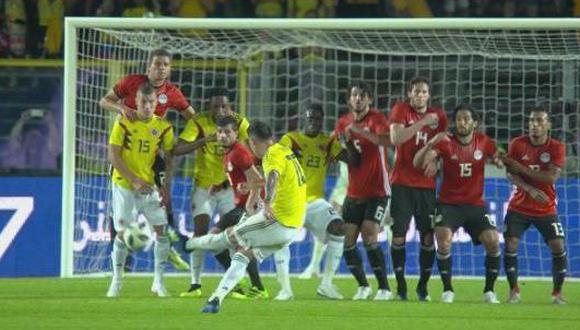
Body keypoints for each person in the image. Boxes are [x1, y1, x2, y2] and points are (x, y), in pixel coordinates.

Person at [185, 120, 306, 313]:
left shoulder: (270, 156)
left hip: (279, 220)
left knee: (229, 237)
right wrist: (251, 187)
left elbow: (273, 176)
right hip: (294, 226)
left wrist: (266, 203)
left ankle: (190, 244)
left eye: (251, 143)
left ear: (254, 142)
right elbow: (273, 178)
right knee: (243, 253)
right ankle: (215, 299)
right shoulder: (284, 151)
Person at [99, 48, 194, 271]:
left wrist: (190, 137)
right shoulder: (132, 82)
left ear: (170, 69)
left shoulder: (172, 92)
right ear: (148, 67)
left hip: (152, 154)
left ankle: (169, 241)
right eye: (157, 64)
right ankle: (124, 263)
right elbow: (105, 101)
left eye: (165, 64)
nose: (161, 68)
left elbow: (193, 117)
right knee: (120, 212)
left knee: (162, 199)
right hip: (126, 150)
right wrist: (121, 108)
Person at [413, 104, 503, 303]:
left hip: (475, 205)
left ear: (475, 123)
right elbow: (426, 158)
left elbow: (499, 154)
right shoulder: (445, 142)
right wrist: (430, 158)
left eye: (466, 119)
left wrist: (499, 160)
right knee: (443, 239)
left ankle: (489, 291)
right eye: (459, 119)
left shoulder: (485, 142)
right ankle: (448, 290)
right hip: (448, 204)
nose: (462, 123)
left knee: (493, 241)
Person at [273, 104, 359, 300]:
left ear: (322, 121)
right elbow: (276, 156)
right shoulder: (292, 139)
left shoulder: (327, 142)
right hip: (290, 201)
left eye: (318, 119)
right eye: (311, 118)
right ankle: (285, 289)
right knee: (280, 241)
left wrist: (349, 143)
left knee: (338, 227)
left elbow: (353, 161)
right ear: (305, 118)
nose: (314, 122)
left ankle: (326, 284)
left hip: (314, 201)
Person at [173, 87, 250, 298]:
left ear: (230, 106)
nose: (220, 110)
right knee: (200, 232)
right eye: (216, 106)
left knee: (234, 236)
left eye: (224, 106)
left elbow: (251, 150)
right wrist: (203, 141)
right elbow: (177, 149)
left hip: (229, 190)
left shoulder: (240, 123)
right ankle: (195, 285)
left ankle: (236, 284)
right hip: (203, 188)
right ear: (209, 106)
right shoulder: (199, 122)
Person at [182, 115, 269, 299]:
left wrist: (249, 203)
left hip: (247, 207)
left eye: (227, 132)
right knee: (236, 245)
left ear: (236, 133)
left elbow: (259, 180)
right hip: (241, 206)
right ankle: (256, 287)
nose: (222, 135)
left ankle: (250, 284)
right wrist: (222, 185)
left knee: (216, 240)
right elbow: (238, 176)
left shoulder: (239, 152)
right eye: (220, 132)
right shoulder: (229, 152)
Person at [105, 83, 174, 297]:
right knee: (123, 234)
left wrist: (164, 187)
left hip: (149, 187)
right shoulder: (124, 121)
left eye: (151, 102)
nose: (147, 106)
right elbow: (113, 157)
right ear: (136, 102)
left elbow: (168, 158)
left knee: (162, 232)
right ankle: (116, 281)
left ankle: (158, 283)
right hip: (125, 186)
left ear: (157, 103)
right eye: (143, 102)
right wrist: (133, 180)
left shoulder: (163, 127)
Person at [388, 76, 449, 301]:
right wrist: (422, 123)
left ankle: (423, 287)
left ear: (429, 95)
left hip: (426, 187)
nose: (420, 95)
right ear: (410, 93)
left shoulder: (440, 117)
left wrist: (437, 161)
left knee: (427, 237)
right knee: (398, 236)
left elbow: (445, 144)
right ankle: (401, 286)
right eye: (416, 91)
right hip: (401, 184)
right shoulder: (400, 110)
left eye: (424, 92)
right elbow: (396, 138)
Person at [500, 106, 568, 304]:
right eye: (531, 121)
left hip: (545, 207)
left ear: (548, 125)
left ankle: (557, 293)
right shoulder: (517, 144)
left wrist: (521, 168)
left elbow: (550, 178)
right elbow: (511, 174)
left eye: (539, 121)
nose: (535, 125)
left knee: (558, 244)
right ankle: (514, 291)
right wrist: (528, 189)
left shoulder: (557, 147)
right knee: (511, 242)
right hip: (519, 206)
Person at [333, 81, 392, 300]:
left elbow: (386, 141)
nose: (358, 98)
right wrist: (341, 146)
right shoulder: (342, 123)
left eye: (362, 95)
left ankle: (384, 288)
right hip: (354, 191)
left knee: (369, 233)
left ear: (369, 100)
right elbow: (352, 160)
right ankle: (363, 286)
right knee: (347, 239)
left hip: (378, 189)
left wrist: (358, 131)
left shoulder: (377, 119)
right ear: (349, 99)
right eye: (354, 95)